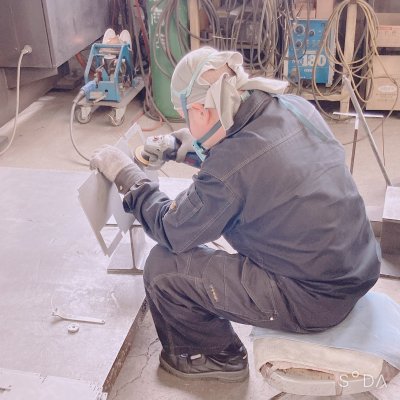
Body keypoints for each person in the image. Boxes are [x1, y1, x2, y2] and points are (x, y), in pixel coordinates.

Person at [90, 47, 381, 383]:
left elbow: (173, 228)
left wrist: (130, 178)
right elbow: (254, 161)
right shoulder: (293, 107)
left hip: (313, 300)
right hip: (354, 268)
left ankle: (217, 356)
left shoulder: (232, 167)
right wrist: (183, 146)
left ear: (201, 110)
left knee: (163, 269)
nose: (186, 124)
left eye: (186, 116)